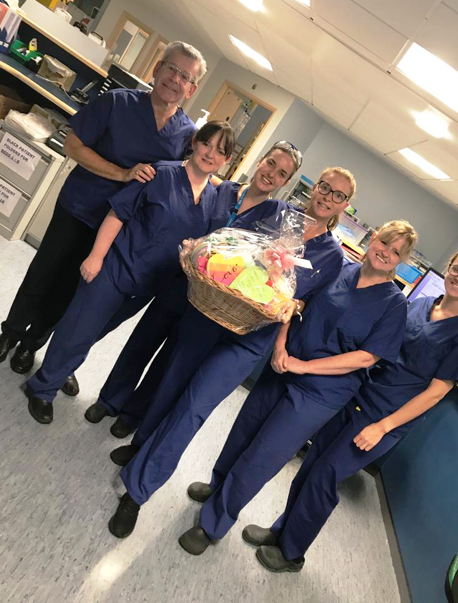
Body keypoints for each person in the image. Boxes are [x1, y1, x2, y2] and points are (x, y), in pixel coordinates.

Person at [106, 167, 358, 539]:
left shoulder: (333, 257)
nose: (327, 197)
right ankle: (143, 447)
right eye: (324, 187)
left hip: (248, 339)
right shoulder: (275, 212)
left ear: (345, 206)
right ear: (313, 186)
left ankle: (138, 491)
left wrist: (295, 305)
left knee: (194, 407)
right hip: (211, 310)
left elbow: (307, 304)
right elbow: (226, 240)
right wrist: (200, 248)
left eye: (338, 195)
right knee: (171, 384)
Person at [171, 219, 418, 555]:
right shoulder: (342, 271)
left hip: (319, 393)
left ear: (403, 261)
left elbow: (365, 358)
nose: (386, 253)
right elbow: (297, 304)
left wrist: (305, 366)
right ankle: (217, 486)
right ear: (373, 239)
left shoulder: (394, 304)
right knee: (244, 432)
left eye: (396, 252)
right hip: (284, 364)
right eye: (384, 243)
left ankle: (213, 522)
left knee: (264, 455)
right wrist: (281, 344)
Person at [238, 246, 458, 573]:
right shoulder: (421, 303)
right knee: (311, 464)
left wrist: (383, 426)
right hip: (356, 393)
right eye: (457, 269)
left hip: (384, 416)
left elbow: (436, 392)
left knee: (326, 475)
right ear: (449, 266)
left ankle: (292, 552)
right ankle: (282, 530)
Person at [0, 41, 206, 396]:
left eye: (185, 76)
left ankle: (32, 343)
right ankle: (12, 331)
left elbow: (186, 178)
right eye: (171, 68)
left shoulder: (187, 135)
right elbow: (73, 146)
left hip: (119, 231)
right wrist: (122, 174)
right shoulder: (119, 102)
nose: (175, 79)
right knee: (46, 271)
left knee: (73, 291)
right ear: (157, 69)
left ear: (192, 88)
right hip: (81, 206)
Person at [83, 142, 305, 435]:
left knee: (170, 359)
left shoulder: (276, 214)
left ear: (285, 183)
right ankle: (110, 399)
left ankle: (133, 413)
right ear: (261, 160)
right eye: (271, 164)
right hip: (178, 282)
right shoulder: (222, 190)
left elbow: (289, 248)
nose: (272, 174)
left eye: (281, 173)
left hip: (213, 303)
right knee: (142, 341)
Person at [23, 120, 234, 425]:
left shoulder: (214, 200)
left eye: (220, 151)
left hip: (147, 285)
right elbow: (117, 213)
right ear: (195, 143)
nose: (210, 153)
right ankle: (42, 387)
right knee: (78, 328)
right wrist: (95, 257)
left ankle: (63, 367)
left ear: (227, 161)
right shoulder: (159, 173)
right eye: (206, 144)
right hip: (115, 267)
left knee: (97, 331)